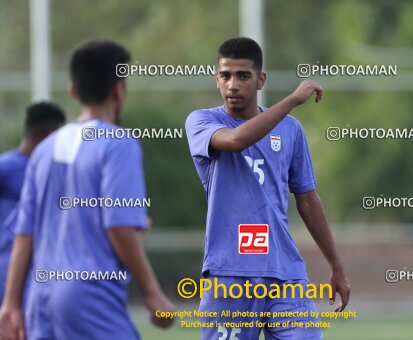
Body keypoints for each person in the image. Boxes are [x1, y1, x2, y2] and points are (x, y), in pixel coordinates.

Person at [0, 40, 175, 340]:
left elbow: (24, 232)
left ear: (73, 90)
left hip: (39, 298)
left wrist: (11, 303)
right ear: (119, 90)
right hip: (88, 296)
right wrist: (152, 293)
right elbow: (118, 225)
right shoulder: (118, 144)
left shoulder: (44, 150)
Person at [185, 37, 351, 339]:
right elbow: (237, 141)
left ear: (260, 80)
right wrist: (291, 101)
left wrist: (336, 264)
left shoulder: (291, 130)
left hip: (284, 271)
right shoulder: (202, 121)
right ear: (217, 80)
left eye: (243, 76)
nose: (233, 84)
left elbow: (308, 200)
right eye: (225, 75)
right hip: (230, 275)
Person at [0, 102, 66, 304]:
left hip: (40, 275)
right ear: (49, 134)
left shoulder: (53, 171)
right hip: (8, 272)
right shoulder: (8, 167)